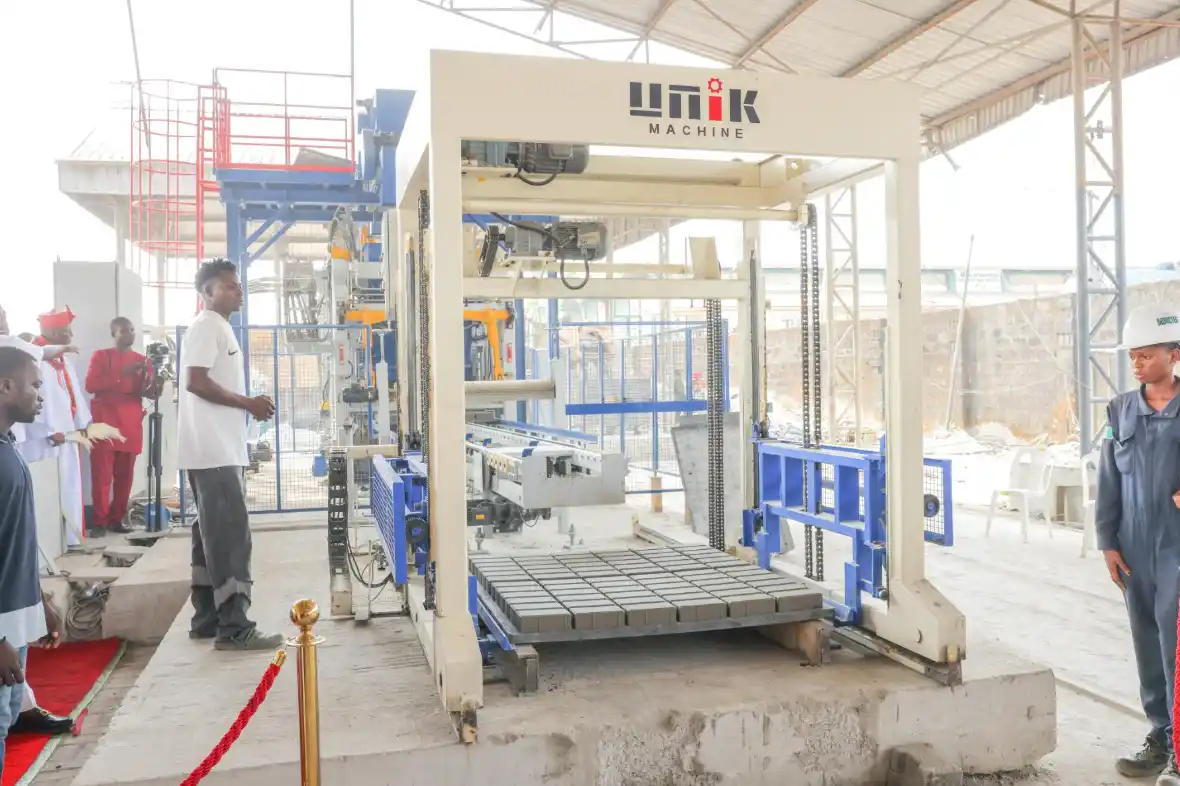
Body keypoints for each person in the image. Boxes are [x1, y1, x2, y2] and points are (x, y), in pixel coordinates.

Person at [179, 258, 281, 651]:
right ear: (207, 293)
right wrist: (248, 403)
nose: (238, 291)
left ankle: (207, 618)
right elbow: (196, 381)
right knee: (230, 538)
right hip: (215, 453)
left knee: (209, 536)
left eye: (238, 285)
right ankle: (235, 627)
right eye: (229, 286)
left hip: (214, 450)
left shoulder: (216, 327)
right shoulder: (208, 326)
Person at [1097, 304, 1180, 784]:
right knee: (1146, 641)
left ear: (1174, 355)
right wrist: (1107, 541)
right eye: (1132, 357)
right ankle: (1160, 735)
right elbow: (1108, 478)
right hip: (1132, 546)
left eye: (1146, 355)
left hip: (1177, 546)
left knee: (1176, 644)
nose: (1137, 364)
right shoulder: (1120, 409)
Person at [0, 345, 65, 777]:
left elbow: (13, 540)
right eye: (35, 385)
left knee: (6, 720)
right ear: (6, 386)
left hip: (14, 620)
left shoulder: (8, 445)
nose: (41, 395)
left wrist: (38, 600)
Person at [29, 308, 92, 544]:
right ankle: (50, 542)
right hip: (45, 439)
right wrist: (47, 430)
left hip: (67, 433)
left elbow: (74, 393)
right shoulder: (34, 358)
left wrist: (81, 423)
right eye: (67, 331)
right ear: (53, 333)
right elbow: (34, 398)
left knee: (69, 484)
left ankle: (70, 539)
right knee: (49, 487)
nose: (71, 335)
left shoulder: (63, 359)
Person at [86, 317, 151, 535]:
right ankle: (99, 522)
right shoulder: (101, 356)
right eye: (124, 330)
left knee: (125, 476)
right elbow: (90, 385)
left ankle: (117, 519)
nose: (130, 334)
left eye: (132, 330)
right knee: (102, 476)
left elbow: (149, 391)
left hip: (131, 423)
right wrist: (121, 374)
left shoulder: (142, 360)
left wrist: (154, 381)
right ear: (114, 334)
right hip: (105, 421)